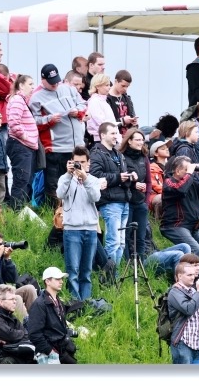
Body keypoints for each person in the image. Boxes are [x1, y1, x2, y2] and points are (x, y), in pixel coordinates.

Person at [30, 65, 89, 209]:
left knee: (76, 180)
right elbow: (34, 121)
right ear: (42, 79)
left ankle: (74, 210)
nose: (55, 84)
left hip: (76, 147)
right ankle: (54, 214)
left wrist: (78, 112)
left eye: (56, 80)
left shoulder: (68, 88)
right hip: (55, 148)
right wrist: (49, 119)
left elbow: (83, 104)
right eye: (51, 82)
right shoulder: (36, 97)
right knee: (54, 183)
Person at [57, 145, 101, 301]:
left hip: (90, 229)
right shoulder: (65, 179)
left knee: (86, 271)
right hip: (72, 230)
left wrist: (85, 179)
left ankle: (86, 302)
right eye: (76, 162)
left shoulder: (93, 180)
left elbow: (96, 197)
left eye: (82, 162)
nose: (79, 165)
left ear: (88, 162)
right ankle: (75, 303)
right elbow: (60, 194)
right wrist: (69, 176)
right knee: (73, 270)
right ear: (71, 162)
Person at [90, 122, 132, 265]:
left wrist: (129, 178)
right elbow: (95, 175)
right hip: (110, 202)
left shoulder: (118, 153)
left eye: (117, 133)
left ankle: (116, 277)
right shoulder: (96, 153)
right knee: (113, 242)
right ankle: (109, 278)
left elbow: (120, 175)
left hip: (124, 200)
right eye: (113, 133)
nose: (116, 136)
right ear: (102, 135)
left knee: (121, 243)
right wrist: (119, 178)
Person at [26, 267, 78, 364]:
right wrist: (50, 350)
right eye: (57, 279)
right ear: (47, 281)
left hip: (62, 349)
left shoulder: (59, 302)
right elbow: (34, 334)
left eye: (61, 279)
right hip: (49, 353)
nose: (61, 282)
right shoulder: (39, 304)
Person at [168, 262, 199, 364]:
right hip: (182, 343)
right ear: (179, 276)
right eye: (189, 275)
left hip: (197, 343)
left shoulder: (194, 291)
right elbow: (188, 309)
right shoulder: (175, 292)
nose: (193, 278)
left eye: (193, 275)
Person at [6, 74, 39, 210]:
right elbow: (14, 122)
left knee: (26, 181)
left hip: (25, 146)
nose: (33, 87)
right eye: (30, 84)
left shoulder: (21, 100)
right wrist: (26, 137)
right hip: (20, 145)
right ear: (21, 85)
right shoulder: (18, 100)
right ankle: (16, 213)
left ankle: (23, 212)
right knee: (21, 181)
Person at [119, 128, 153, 260]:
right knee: (126, 235)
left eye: (142, 140)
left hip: (141, 202)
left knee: (141, 236)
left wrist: (146, 201)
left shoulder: (144, 157)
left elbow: (149, 182)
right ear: (129, 141)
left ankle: (141, 263)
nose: (141, 142)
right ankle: (126, 263)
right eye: (137, 140)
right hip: (127, 201)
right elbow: (120, 179)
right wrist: (134, 184)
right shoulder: (122, 157)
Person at [0, 284, 37, 364]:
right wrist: (13, 336)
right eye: (11, 299)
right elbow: (11, 335)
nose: (15, 302)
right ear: (1, 301)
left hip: (15, 353)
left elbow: (25, 334)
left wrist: (9, 340)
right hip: (1, 357)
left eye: (15, 299)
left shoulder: (12, 317)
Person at [86, 73, 117, 143]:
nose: (109, 87)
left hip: (107, 137)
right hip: (101, 139)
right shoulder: (94, 101)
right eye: (106, 85)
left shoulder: (103, 101)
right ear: (98, 86)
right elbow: (101, 122)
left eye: (109, 85)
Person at [107, 69, 139, 135]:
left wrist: (134, 122)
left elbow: (132, 115)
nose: (125, 89)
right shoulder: (107, 98)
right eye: (123, 86)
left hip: (127, 136)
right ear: (116, 81)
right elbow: (106, 123)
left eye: (127, 86)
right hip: (114, 136)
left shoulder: (127, 98)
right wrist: (122, 121)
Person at [149, 139, 172, 219]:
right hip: (154, 196)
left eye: (167, 148)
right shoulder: (152, 167)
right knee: (161, 198)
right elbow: (157, 187)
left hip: (167, 192)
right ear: (156, 153)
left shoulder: (170, 166)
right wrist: (173, 192)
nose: (166, 149)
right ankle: (158, 224)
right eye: (163, 149)